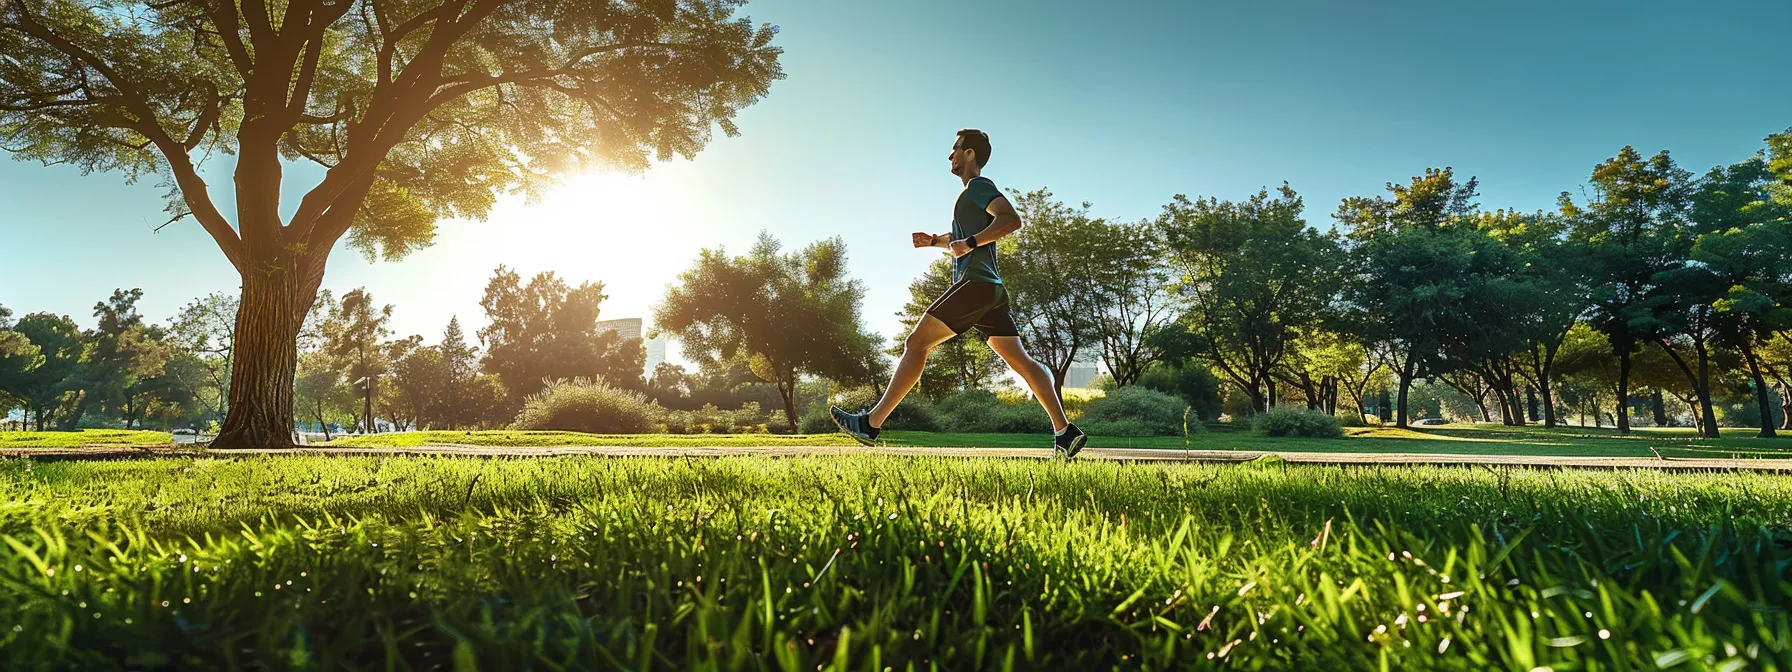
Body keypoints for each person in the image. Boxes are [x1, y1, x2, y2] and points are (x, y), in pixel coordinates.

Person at [832, 129, 1087, 457]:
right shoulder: (971, 197)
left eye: (955, 150)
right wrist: (935, 241)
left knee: (915, 343)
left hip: (976, 285)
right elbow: (962, 237)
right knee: (1021, 361)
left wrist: (970, 243)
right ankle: (1065, 432)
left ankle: (871, 425)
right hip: (992, 291)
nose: (950, 156)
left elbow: (1010, 220)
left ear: (970, 154)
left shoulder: (979, 187)